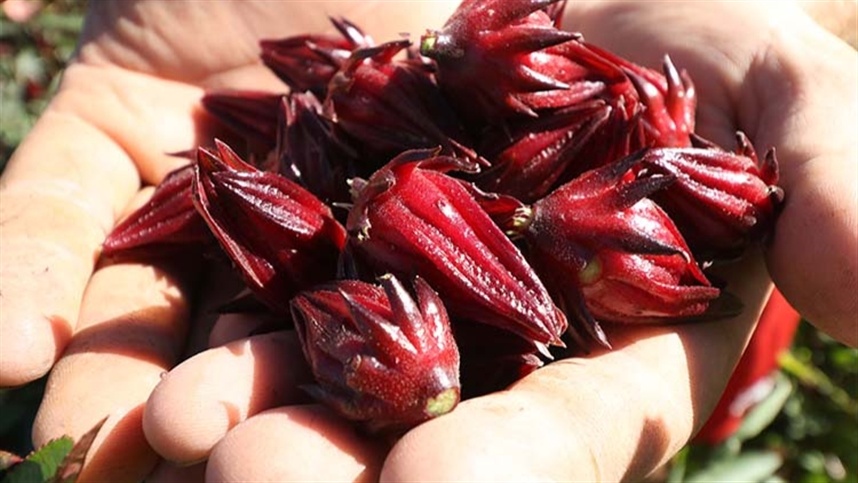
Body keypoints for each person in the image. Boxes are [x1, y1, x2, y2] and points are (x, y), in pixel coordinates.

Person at [0, 1, 855, 481]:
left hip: (645, 268)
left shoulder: (572, 170)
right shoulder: (406, 181)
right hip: (522, 249)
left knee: (704, 384)